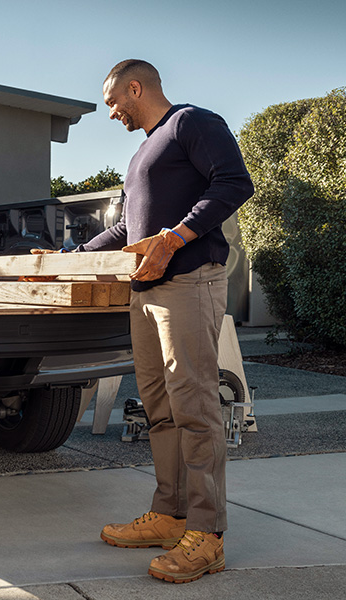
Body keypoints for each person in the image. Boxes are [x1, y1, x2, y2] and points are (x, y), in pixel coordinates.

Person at [38, 60, 253, 583]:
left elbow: (234, 183)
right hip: (145, 293)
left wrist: (174, 239)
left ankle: (208, 534)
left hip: (188, 283)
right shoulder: (142, 153)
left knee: (195, 407)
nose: (111, 111)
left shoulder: (191, 123)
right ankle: (169, 512)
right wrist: (73, 259)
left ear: (136, 88)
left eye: (114, 101)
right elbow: (129, 230)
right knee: (159, 407)